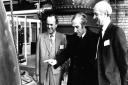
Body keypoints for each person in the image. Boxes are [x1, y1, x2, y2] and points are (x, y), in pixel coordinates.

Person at [44, 12, 99, 85]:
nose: (74, 30)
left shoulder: (95, 38)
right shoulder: (73, 38)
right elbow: (66, 52)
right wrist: (56, 61)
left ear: (84, 25)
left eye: (77, 27)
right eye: (73, 27)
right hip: (74, 78)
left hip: (88, 79)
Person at [93, 1, 128, 85]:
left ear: (105, 13)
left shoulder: (116, 32)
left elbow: (124, 63)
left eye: (96, 14)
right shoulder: (99, 33)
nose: (94, 17)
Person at [35, 14, 67, 85]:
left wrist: (62, 72)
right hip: (43, 72)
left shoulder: (62, 37)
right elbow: (37, 56)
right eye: (47, 24)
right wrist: (37, 73)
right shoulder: (40, 37)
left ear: (56, 25)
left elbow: (64, 56)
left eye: (51, 24)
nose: (49, 27)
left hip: (56, 72)